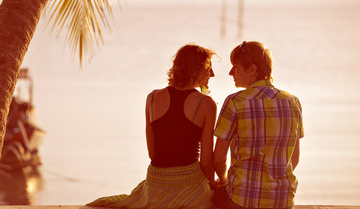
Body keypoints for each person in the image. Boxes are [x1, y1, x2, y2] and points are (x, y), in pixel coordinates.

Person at [86, 43, 218, 209]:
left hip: (155, 185)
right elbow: (206, 162)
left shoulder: (152, 98)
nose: (212, 74)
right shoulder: (207, 104)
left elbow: (152, 152)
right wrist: (212, 185)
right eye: (209, 68)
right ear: (196, 69)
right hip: (189, 185)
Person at [212, 41, 304, 209]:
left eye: (236, 67)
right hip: (282, 200)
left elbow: (218, 159)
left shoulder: (235, 102)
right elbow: (294, 159)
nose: (231, 72)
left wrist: (223, 180)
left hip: (242, 200)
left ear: (253, 70)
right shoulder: (292, 102)